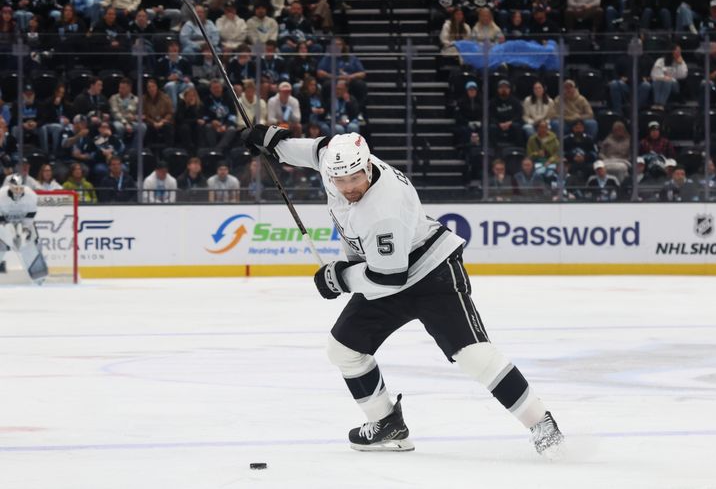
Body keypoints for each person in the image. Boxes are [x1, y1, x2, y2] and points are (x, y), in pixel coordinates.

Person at [242, 127, 565, 453]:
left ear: (367, 167)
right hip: (383, 273)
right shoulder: (337, 166)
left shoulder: (384, 209)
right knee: (344, 348)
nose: (349, 188)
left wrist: (339, 278)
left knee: (474, 355)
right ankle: (387, 424)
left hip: (430, 273)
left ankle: (542, 423)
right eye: (340, 181)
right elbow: (319, 149)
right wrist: (276, 144)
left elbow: (388, 279)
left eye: (355, 178)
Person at [0, 175, 48, 283]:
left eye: (20, 188)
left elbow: (30, 217)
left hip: (24, 222)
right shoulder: (0, 195)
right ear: (10, 187)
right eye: (15, 188)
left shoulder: (31, 195)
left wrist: (26, 230)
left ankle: (38, 276)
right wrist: (8, 232)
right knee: (1, 246)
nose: (18, 191)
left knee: (30, 243)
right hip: (3, 223)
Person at [488, 79, 524, 150]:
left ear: (509, 89)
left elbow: (519, 114)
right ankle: (494, 150)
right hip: (498, 124)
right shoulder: (493, 102)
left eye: (506, 88)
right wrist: (499, 123)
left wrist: (510, 122)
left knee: (517, 126)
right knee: (491, 128)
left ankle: (518, 150)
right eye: (501, 87)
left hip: (511, 123)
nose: (504, 89)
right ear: (498, 89)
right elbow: (490, 116)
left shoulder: (515, 101)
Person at [650, 44, 687, 110]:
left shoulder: (681, 62)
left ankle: (661, 104)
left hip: (674, 84)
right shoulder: (660, 61)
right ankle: (656, 103)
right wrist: (664, 77)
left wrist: (680, 64)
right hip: (660, 81)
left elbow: (682, 75)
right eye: (677, 51)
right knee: (658, 81)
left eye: (680, 51)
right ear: (671, 51)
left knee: (667, 81)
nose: (679, 53)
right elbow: (654, 74)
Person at [141, 78, 175, 148]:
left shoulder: (165, 97)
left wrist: (162, 122)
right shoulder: (143, 99)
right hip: (150, 122)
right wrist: (153, 122)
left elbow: (170, 112)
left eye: (153, 86)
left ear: (156, 87)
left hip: (163, 121)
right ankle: (148, 149)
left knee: (168, 127)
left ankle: (169, 149)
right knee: (146, 127)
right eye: (149, 87)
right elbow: (144, 114)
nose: (151, 89)